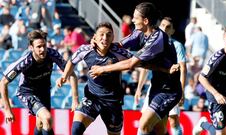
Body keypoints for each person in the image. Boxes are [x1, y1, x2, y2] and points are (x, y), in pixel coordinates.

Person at [89, 2, 182, 135]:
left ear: (145, 21)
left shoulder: (157, 40)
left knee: (143, 126)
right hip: (157, 86)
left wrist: (102, 69)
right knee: (159, 130)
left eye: (135, 18)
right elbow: (118, 46)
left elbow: (130, 64)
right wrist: (98, 42)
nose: (132, 20)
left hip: (169, 90)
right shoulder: (140, 32)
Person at [57, 22, 133, 135]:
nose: (105, 38)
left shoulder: (119, 53)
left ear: (113, 37)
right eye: (101, 34)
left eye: (108, 35)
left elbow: (136, 62)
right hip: (92, 98)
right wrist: (64, 76)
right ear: (95, 37)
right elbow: (71, 62)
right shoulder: (85, 50)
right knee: (75, 130)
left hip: (113, 101)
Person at [0, 30, 78, 135]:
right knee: (47, 118)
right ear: (31, 48)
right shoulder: (25, 62)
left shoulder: (52, 54)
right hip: (28, 93)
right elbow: (3, 82)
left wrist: (75, 99)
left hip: (44, 91)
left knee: (41, 124)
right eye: (38, 47)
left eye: (44, 46)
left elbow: (72, 74)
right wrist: (8, 110)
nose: (42, 49)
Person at [192, 27, 226, 135]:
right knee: (221, 133)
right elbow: (201, 78)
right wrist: (217, 94)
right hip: (215, 97)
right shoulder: (218, 58)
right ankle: (203, 124)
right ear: (224, 39)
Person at [159, 16, 187, 135]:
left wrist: (181, 90)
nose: (165, 28)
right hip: (156, 87)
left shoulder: (177, 46)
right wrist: (139, 88)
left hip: (173, 87)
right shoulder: (153, 44)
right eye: (163, 25)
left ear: (173, 31)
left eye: (168, 27)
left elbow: (183, 69)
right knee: (154, 122)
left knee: (173, 120)